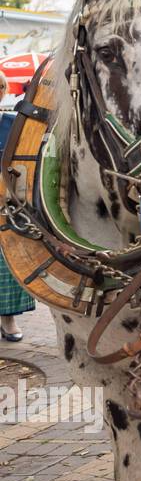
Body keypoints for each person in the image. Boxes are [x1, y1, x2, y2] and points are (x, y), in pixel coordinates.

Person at [0, 69, 34, 342]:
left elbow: (25, 163)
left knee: (7, 264)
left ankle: (7, 318)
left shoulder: (12, 124)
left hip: (6, 203)